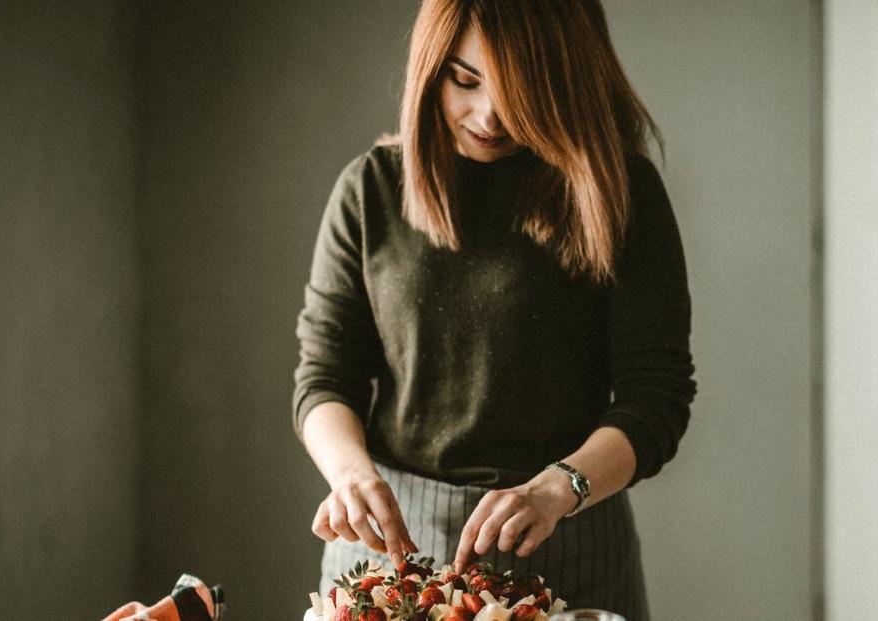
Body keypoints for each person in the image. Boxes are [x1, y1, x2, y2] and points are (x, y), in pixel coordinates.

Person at [292, 1, 695, 618]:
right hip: (390, 549)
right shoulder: (368, 190)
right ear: (432, 69)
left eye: (521, 90)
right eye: (465, 79)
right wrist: (350, 476)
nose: (489, 116)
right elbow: (324, 376)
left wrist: (560, 488)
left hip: (568, 530)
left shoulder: (623, 193)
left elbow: (657, 395)